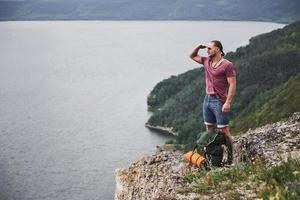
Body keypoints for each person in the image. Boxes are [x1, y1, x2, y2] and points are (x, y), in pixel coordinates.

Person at [189, 40, 236, 164]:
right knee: (209, 129)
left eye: (210, 48)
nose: (207, 50)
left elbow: (232, 84)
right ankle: (212, 155)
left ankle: (231, 159)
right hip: (207, 99)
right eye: (207, 48)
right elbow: (192, 55)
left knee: (224, 131)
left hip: (219, 100)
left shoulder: (227, 65)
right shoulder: (207, 61)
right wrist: (199, 46)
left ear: (218, 49)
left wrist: (228, 102)